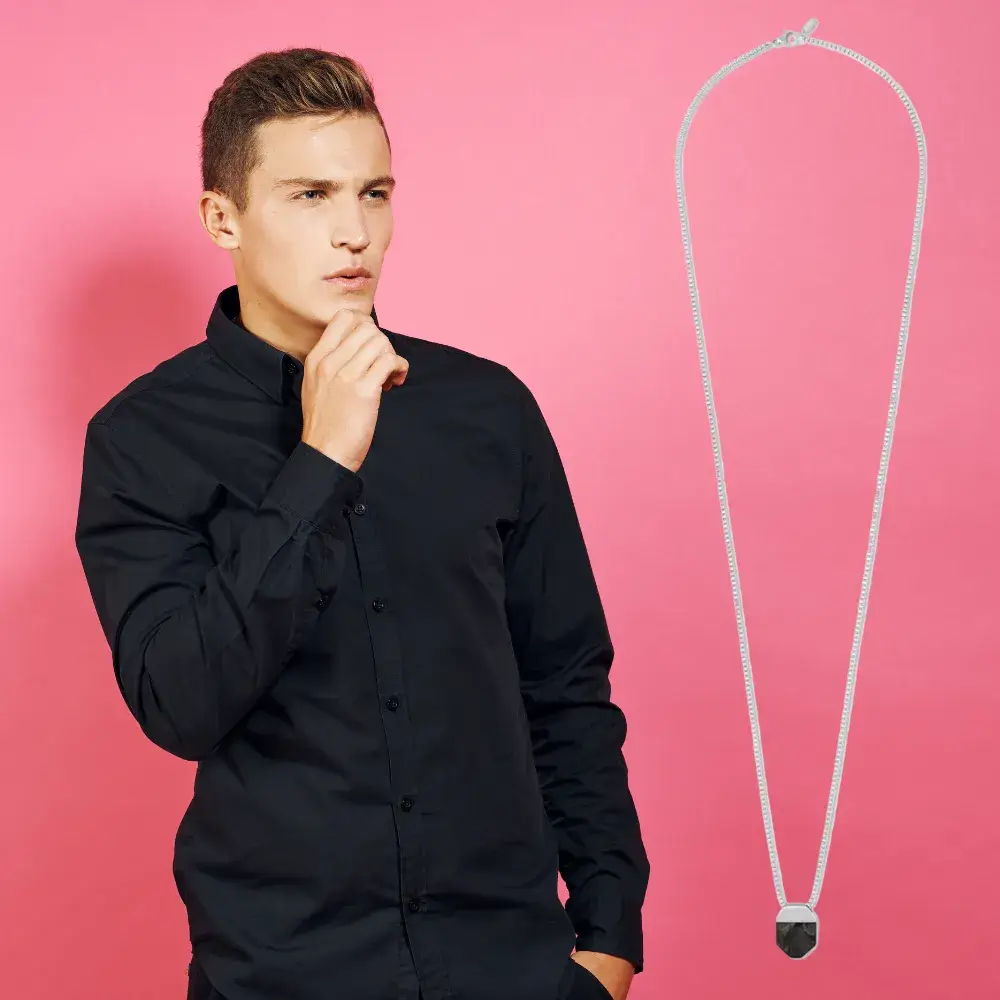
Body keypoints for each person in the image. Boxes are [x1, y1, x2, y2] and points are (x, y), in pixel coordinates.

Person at [74, 47, 649, 1000]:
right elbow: (180, 704)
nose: (354, 233)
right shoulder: (142, 439)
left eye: (373, 193)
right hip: (281, 973)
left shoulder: (487, 409)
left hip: (509, 969)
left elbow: (567, 684)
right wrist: (323, 461)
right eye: (309, 196)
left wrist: (609, 936)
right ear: (224, 217)